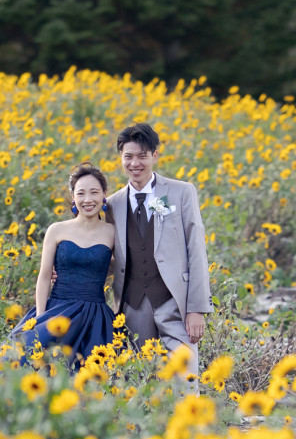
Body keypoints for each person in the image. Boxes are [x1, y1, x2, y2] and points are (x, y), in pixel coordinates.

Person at [108, 121, 211, 371]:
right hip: (132, 306)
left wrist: (197, 309)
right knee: (143, 381)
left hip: (174, 302)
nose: (135, 164)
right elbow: (112, 256)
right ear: (120, 158)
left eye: (142, 156)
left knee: (185, 381)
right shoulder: (112, 204)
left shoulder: (182, 192)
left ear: (155, 155)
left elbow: (196, 250)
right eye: (128, 157)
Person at [15, 162, 114, 363]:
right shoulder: (56, 230)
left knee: (95, 372)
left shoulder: (113, 232)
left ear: (104, 193)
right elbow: (43, 277)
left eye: (94, 192)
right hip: (57, 310)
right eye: (81, 193)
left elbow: (119, 269)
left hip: (95, 316)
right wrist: (40, 318)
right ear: (73, 197)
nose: (88, 200)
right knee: (31, 362)